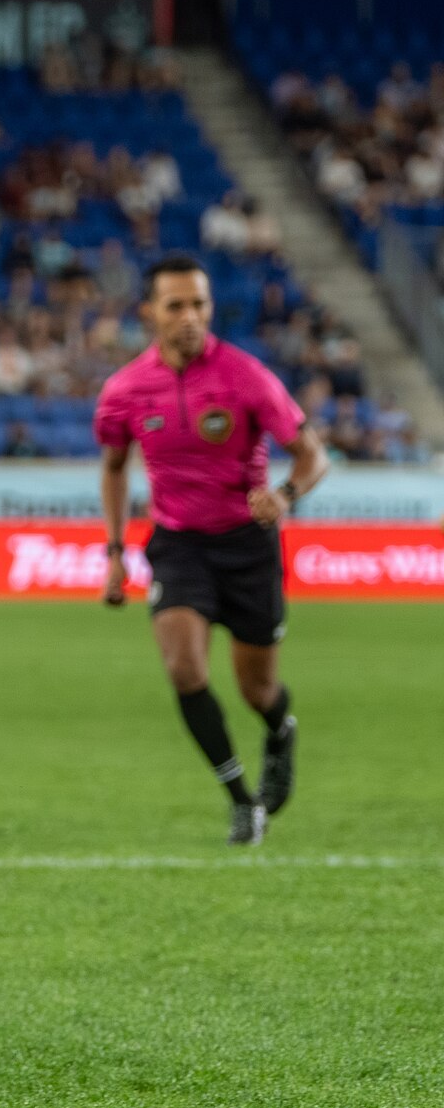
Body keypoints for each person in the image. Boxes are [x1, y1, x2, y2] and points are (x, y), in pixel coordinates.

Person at [96, 253, 328, 846]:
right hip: (178, 544)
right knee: (184, 667)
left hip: (248, 546)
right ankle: (240, 799)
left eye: (199, 303)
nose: (190, 316)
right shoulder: (125, 390)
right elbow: (116, 468)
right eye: (176, 305)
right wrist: (116, 550)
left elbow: (311, 453)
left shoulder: (246, 375)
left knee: (257, 690)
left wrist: (286, 493)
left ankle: (280, 730)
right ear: (150, 312)